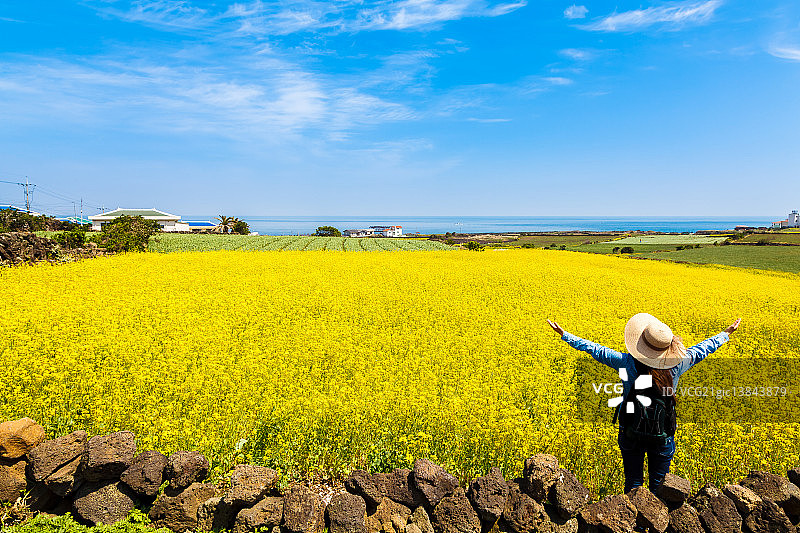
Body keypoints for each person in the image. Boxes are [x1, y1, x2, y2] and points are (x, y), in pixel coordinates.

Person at [546, 314, 741, 492]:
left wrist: (565, 335)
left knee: (633, 483)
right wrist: (725, 334)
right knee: (658, 485)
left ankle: (634, 525)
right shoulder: (679, 363)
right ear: (668, 347)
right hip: (662, 435)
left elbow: (596, 350)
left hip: (631, 431)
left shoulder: (627, 362)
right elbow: (702, 349)